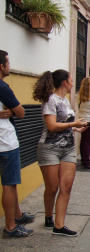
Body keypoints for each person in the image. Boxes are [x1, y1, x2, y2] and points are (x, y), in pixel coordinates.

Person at [32, 69, 88, 236]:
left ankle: (59, 225)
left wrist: (76, 129)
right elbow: (52, 126)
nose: (73, 83)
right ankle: (48, 216)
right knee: (52, 187)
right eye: (71, 80)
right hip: (50, 148)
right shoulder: (51, 100)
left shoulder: (64, 100)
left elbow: (64, 126)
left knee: (66, 186)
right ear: (64, 82)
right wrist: (72, 125)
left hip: (68, 148)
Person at [0, 50, 35, 238]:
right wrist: (13, 112)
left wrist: (10, 112)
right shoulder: (2, 87)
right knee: (9, 184)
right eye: (8, 63)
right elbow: (21, 113)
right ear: (1, 66)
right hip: (5, 142)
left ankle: (17, 215)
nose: (9, 66)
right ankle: (10, 226)